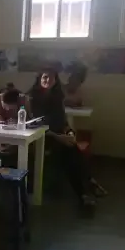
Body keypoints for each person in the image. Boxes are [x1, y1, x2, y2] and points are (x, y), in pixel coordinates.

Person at [28, 69, 98, 209]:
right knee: (71, 152)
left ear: (56, 81)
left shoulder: (57, 98)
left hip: (58, 136)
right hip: (40, 137)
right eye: (45, 77)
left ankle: (85, 189)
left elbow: (64, 122)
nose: (48, 80)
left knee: (72, 149)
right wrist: (59, 137)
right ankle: (86, 187)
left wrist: (70, 133)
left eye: (52, 78)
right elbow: (32, 125)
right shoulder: (31, 98)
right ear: (39, 79)